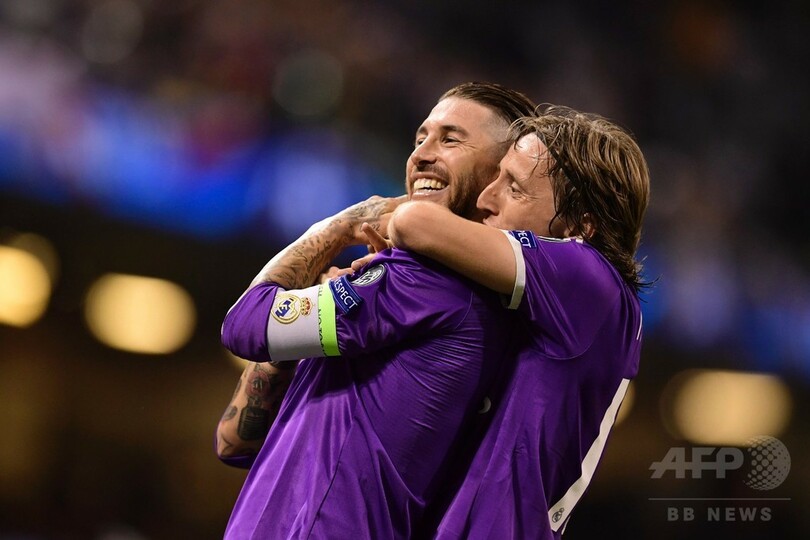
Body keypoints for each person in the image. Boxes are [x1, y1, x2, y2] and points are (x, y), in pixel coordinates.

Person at [216, 82, 537, 539]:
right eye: (420, 138)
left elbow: (243, 324)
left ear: (498, 175)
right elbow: (236, 442)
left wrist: (336, 227)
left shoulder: (429, 284)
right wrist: (304, 323)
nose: (421, 154)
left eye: (450, 140)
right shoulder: (397, 284)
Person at [359, 105, 650, 538]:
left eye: (514, 188)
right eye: (495, 177)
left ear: (580, 226)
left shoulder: (589, 280)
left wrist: (356, 224)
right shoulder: (550, 306)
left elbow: (414, 222)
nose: (485, 199)